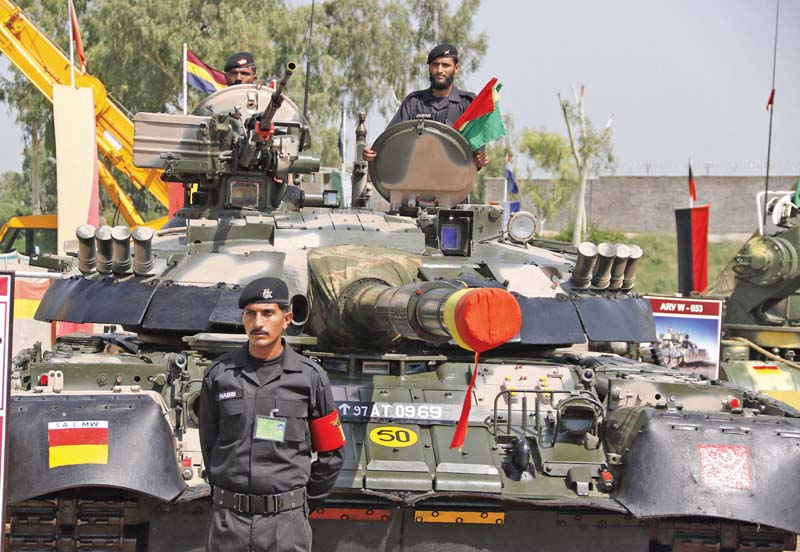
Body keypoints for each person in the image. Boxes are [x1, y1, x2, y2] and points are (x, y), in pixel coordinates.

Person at [199, 277, 345, 552]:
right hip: (229, 520)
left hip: (285, 523)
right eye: (250, 313)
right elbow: (210, 443)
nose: (258, 323)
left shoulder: (309, 378)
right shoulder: (220, 375)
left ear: (286, 318)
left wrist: (300, 503)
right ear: (242, 318)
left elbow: (333, 452)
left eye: (268, 313)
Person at [362, 43, 489, 169]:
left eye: (445, 65)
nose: (440, 70)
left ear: (456, 68)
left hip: (454, 182)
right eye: (435, 65)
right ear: (429, 67)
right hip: (416, 180)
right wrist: (373, 153)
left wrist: (481, 159)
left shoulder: (468, 104)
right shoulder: (414, 102)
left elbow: (477, 152)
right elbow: (391, 140)